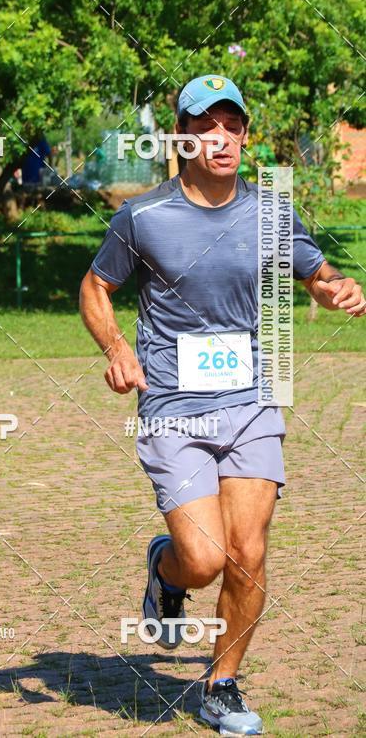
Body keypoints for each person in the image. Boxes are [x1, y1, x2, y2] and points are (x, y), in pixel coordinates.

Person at [79, 74, 365, 736]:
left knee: (248, 553)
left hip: (250, 402)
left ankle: (221, 685)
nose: (221, 138)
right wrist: (117, 348)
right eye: (206, 127)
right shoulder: (143, 217)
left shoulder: (270, 213)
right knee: (204, 560)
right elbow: (95, 287)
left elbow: (317, 273)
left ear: (244, 136)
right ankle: (166, 570)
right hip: (173, 406)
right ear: (181, 138)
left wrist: (335, 289)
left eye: (232, 126)